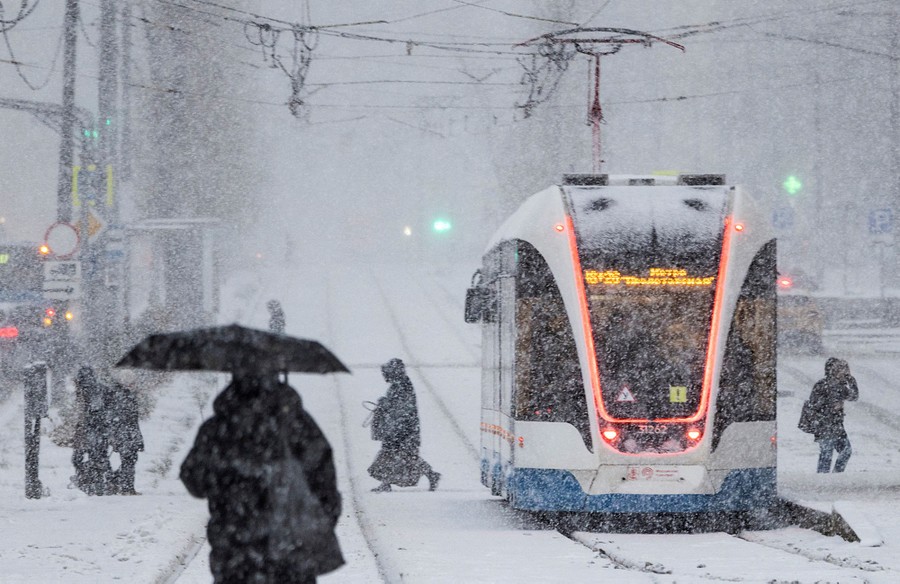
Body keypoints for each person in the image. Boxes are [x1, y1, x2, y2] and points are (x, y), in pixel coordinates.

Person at [180, 374, 343, 584]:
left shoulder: (218, 427)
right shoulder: (299, 425)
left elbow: (194, 481)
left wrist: (226, 480)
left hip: (235, 552)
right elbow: (325, 484)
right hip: (292, 551)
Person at [368, 358, 441, 492]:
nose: (385, 377)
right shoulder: (399, 385)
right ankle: (387, 482)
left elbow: (403, 409)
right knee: (397, 456)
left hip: (402, 429)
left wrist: (385, 404)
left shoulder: (402, 386)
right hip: (398, 428)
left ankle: (430, 475)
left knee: (399, 456)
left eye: (386, 374)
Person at [808, 357, 859, 473]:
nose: (842, 371)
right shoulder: (821, 385)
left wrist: (850, 379)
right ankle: (822, 479)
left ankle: (835, 475)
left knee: (846, 451)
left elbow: (854, 396)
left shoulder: (840, 386)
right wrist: (830, 407)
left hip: (837, 426)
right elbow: (813, 404)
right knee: (826, 454)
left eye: (844, 368)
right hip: (823, 425)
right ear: (831, 369)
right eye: (840, 368)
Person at [71, 365, 112, 495]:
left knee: (84, 458)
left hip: (91, 429)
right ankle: (96, 484)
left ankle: (90, 484)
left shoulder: (89, 390)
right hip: (97, 429)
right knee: (98, 458)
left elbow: (93, 411)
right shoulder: (100, 389)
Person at [106, 370, 144, 495]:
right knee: (128, 460)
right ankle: (125, 487)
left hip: (128, 433)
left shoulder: (126, 395)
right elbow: (117, 418)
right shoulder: (121, 396)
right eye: (132, 382)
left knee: (130, 460)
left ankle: (118, 483)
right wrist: (115, 435)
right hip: (124, 434)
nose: (134, 384)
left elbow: (133, 419)